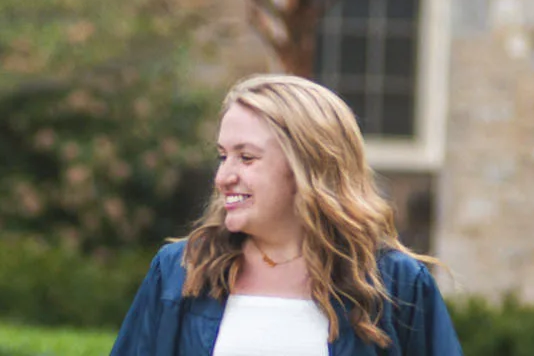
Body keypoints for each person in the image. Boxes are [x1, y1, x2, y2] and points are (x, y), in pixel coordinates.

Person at [111, 74, 461, 355]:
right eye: (223, 156)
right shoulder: (180, 272)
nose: (223, 177)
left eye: (246, 158)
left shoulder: (394, 284)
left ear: (308, 167)